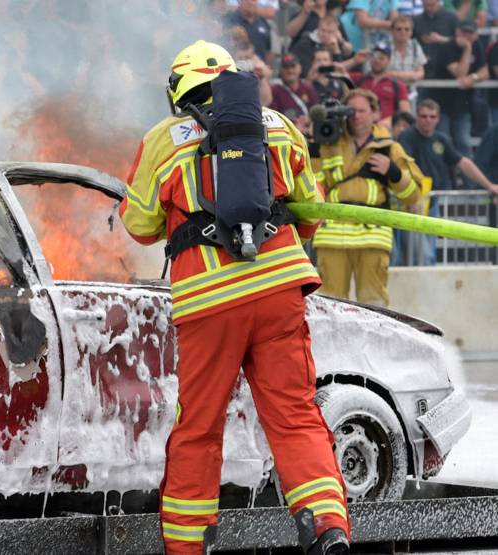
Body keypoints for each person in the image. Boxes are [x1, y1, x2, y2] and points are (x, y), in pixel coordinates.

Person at [120, 40, 350, 555]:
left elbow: (137, 225)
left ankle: (188, 546)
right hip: (279, 290)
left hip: (208, 300)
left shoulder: (163, 139)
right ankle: (327, 528)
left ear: (177, 91)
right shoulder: (280, 126)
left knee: (199, 428)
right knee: (293, 415)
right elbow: (310, 215)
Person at [312, 89, 423, 305]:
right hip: (332, 237)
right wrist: (314, 143)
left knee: (374, 306)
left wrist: (394, 172)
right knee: (330, 306)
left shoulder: (390, 147)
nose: (356, 116)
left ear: (375, 113)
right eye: (351, 110)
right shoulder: (327, 144)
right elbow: (313, 189)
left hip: (373, 236)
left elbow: (414, 195)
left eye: (362, 110)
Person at [398, 99, 498, 263]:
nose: (427, 120)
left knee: (427, 251)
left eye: (432, 116)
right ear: (417, 117)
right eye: (423, 116)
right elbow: (404, 167)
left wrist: (489, 185)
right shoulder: (407, 137)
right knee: (418, 253)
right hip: (413, 200)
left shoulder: (441, 139)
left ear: (438, 119)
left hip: (433, 201)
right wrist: (412, 197)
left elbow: (463, 163)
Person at [421, 21, 487, 156]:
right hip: (441, 105)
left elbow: (485, 71)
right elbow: (460, 73)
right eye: (464, 32)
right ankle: (444, 175)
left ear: (476, 34)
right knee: (443, 142)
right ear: (457, 31)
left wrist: (473, 78)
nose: (467, 36)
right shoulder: (447, 47)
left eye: (470, 33)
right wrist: (468, 49)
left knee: (463, 142)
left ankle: (468, 177)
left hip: (463, 105)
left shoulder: (478, 45)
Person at [352, 43, 412, 127]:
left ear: (389, 60)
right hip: (360, 126)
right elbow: (333, 73)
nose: (377, 61)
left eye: (381, 58)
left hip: (385, 130)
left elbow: (405, 113)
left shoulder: (397, 85)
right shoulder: (358, 78)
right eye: (375, 57)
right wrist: (354, 60)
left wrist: (389, 121)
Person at [271, 54, 319, 134]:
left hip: (308, 134)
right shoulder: (274, 91)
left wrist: (308, 120)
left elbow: (316, 113)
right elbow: (273, 117)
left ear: (300, 68)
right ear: (281, 70)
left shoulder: (308, 89)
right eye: (286, 67)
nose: (290, 71)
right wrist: (293, 126)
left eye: (293, 67)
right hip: (286, 134)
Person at [226, 0, 275, 66]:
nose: (250, 2)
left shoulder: (263, 22)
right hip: (237, 68)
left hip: (259, 70)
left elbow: (269, 50)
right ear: (240, 1)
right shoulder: (230, 20)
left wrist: (268, 68)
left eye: (253, 0)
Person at [386, 15, 427, 83]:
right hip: (389, 89)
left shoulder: (415, 46)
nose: (403, 32)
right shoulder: (385, 47)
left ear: (411, 32)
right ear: (392, 31)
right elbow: (382, 73)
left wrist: (395, 74)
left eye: (407, 29)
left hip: (411, 90)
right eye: (399, 29)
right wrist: (410, 75)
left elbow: (421, 73)